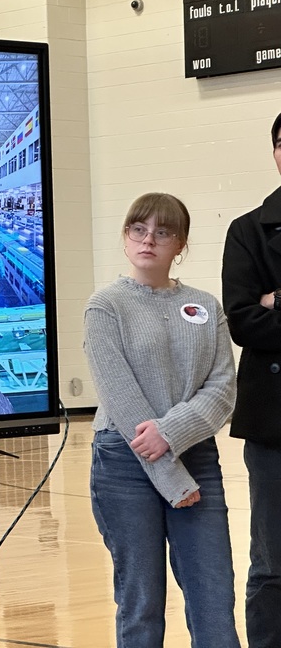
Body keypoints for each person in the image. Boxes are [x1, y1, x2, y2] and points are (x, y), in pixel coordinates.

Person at [84, 192, 240, 648]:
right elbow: (122, 399)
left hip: (197, 459)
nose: (149, 239)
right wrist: (172, 479)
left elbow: (223, 390)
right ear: (126, 237)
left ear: (181, 244)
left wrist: (171, 434)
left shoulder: (205, 306)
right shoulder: (105, 306)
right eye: (139, 229)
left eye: (163, 231)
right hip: (124, 464)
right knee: (142, 602)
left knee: (213, 595)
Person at [221, 111, 281, 648]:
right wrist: (265, 307)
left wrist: (277, 298)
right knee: (273, 559)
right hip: (274, 423)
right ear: (275, 151)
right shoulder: (247, 231)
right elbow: (244, 320)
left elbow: (267, 314)